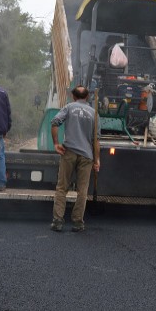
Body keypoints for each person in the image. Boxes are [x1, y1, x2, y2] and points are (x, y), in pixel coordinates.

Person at [50, 85, 100, 232]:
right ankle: (78, 222)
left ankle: (58, 221)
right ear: (88, 97)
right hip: (87, 156)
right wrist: (97, 160)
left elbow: (54, 122)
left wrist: (56, 144)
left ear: (73, 96)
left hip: (69, 151)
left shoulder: (69, 107)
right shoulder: (94, 113)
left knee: (62, 187)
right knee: (82, 190)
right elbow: (96, 140)